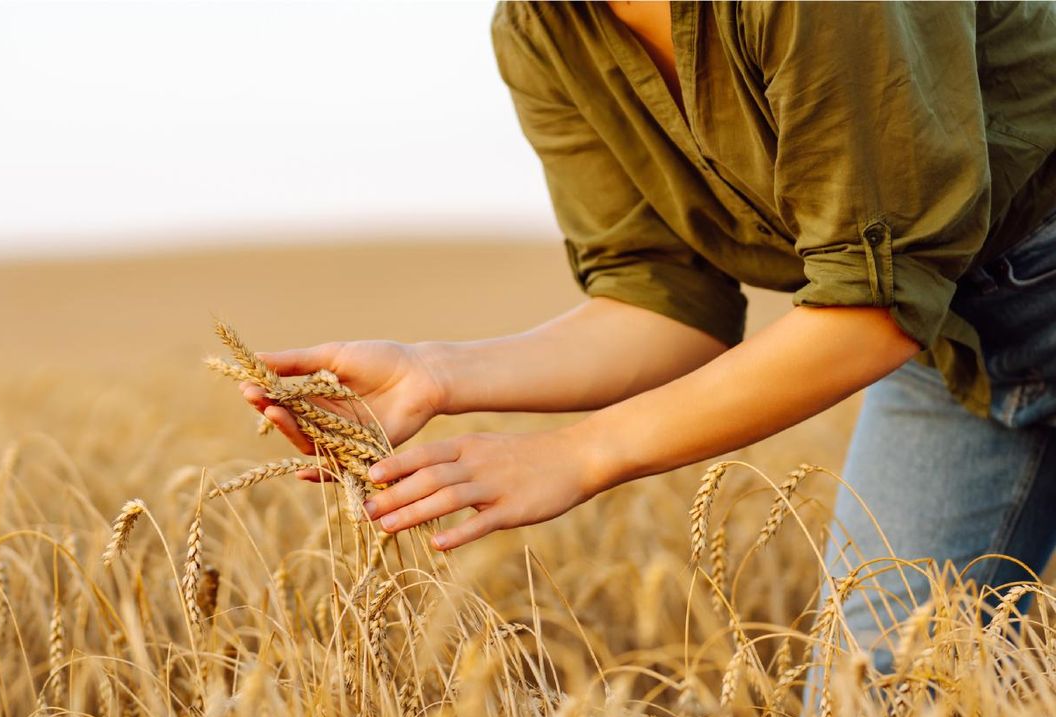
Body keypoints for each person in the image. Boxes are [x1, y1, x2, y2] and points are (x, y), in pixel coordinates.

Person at [244, 1, 1056, 671]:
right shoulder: (540, 30)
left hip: (962, 295)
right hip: (958, 349)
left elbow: (873, 309)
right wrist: (436, 372)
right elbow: (665, 302)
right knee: (868, 714)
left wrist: (577, 454)